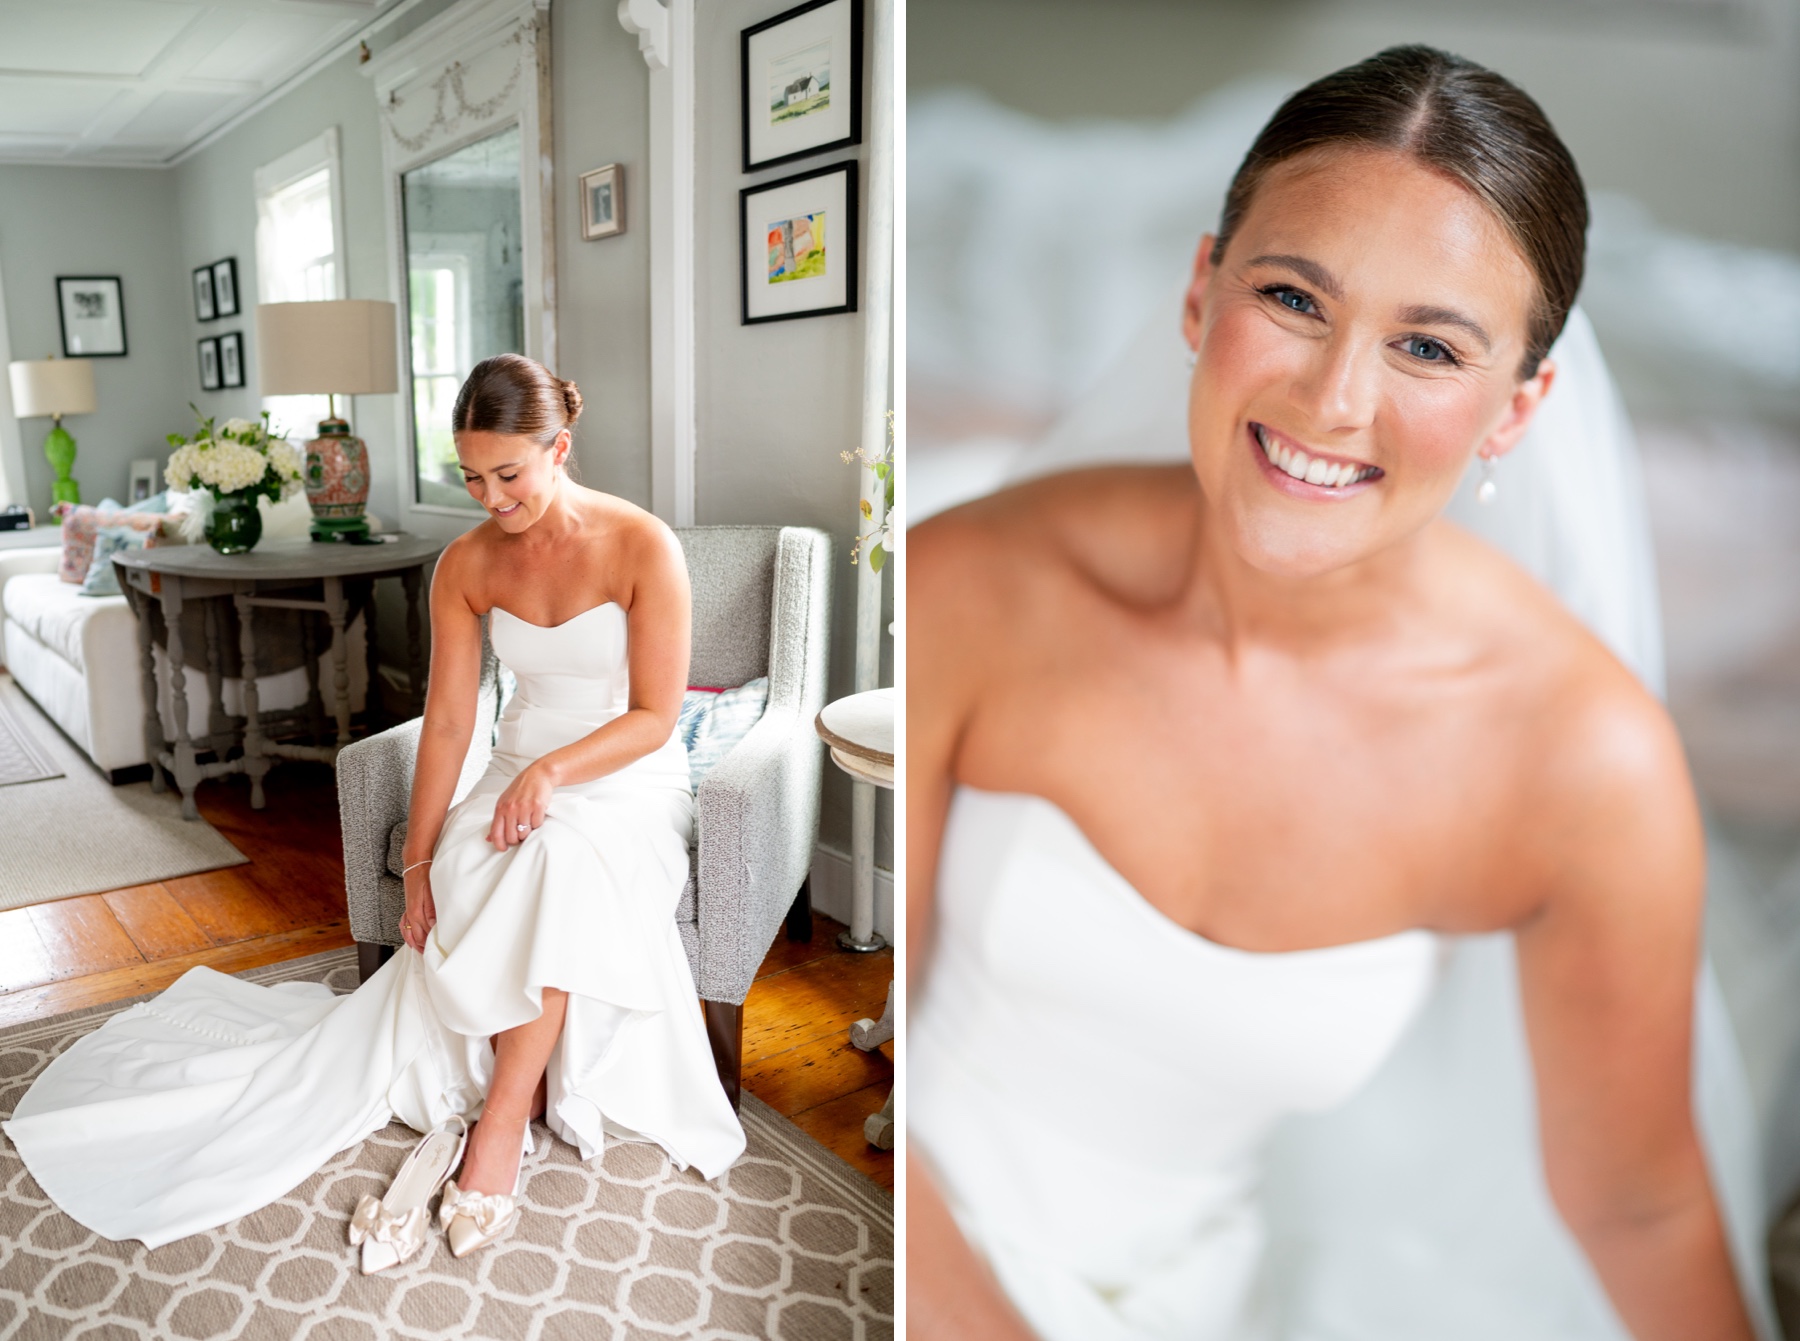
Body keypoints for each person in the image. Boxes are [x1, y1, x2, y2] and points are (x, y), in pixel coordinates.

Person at [906, 47, 1759, 1341]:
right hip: (910, 1217)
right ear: (1201, 293)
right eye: (1295, 299)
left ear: (1518, 410)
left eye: (1427, 344)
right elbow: (861, 1024)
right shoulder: (970, 584)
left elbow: (1639, 1203)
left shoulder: (1586, 767)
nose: (1334, 397)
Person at [3, 353, 744, 1261]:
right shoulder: (467, 562)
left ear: (560, 446)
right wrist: (423, 858)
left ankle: (504, 1119)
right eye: (472, 477)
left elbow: (654, 717)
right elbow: (448, 724)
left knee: (560, 858)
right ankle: (529, 1077)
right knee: (498, 862)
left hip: (622, 776)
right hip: (513, 766)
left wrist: (552, 776)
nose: (490, 497)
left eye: (508, 473)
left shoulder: (643, 546)